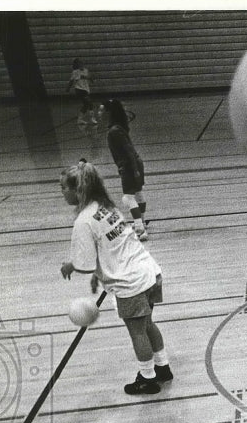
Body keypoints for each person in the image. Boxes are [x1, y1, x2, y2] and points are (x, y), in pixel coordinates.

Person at [59, 159, 173, 395]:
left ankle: (148, 378)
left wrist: (70, 266)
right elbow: (108, 247)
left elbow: (84, 264)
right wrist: (97, 276)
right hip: (149, 271)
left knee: (137, 332)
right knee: (148, 323)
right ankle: (163, 367)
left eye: (64, 187)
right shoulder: (106, 207)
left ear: (78, 190)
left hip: (130, 283)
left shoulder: (83, 221)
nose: (62, 192)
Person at [98, 99, 149, 240]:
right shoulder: (118, 127)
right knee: (138, 193)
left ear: (108, 112)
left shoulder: (114, 131)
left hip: (129, 165)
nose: (99, 113)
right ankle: (142, 222)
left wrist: (133, 170)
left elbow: (128, 150)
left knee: (127, 198)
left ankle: (140, 229)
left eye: (101, 110)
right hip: (135, 163)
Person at [67, 58, 96, 130]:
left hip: (86, 90)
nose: (82, 65)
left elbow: (90, 78)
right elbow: (71, 81)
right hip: (79, 90)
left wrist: (91, 79)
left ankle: (79, 120)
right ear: (77, 65)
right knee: (90, 103)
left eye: (82, 63)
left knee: (86, 105)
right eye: (80, 64)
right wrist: (68, 88)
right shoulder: (75, 72)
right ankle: (92, 119)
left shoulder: (86, 70)